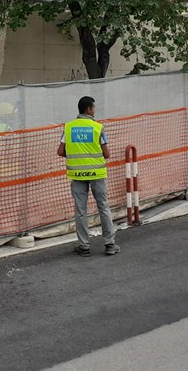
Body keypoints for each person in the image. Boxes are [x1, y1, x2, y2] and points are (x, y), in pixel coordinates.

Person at [57, 96, 120, 257]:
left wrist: (77, 156)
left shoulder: (69, 128)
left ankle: (84, 246)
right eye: (94, 108)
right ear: (89, 110)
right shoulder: (97, 128)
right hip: (97, 174)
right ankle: (110, 245)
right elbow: (107, 153)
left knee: (80, 211)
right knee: (103, 207)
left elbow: (60, 151)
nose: (94, 111)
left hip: (77, 175)